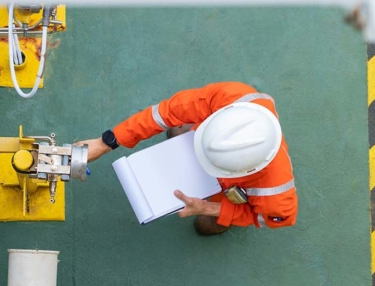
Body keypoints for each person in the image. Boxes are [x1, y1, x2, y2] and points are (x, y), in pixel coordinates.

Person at [77, 82, 297, 235]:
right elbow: (165, 112)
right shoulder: (232, 97)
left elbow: (266, 219)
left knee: (205, 225)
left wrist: (207, 208)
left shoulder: (276, 195)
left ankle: (214, 211)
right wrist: (105, 142)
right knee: (177, 128)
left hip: (231, 189)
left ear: (245, 171)